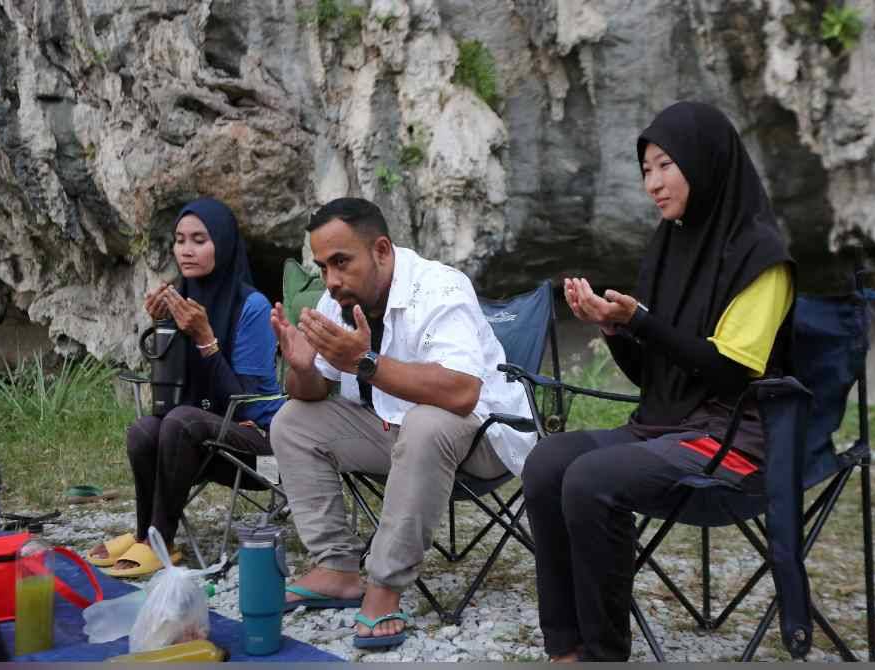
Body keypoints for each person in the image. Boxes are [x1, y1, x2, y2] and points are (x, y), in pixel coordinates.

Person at [521, 101, 796, 661]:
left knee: (591, 476)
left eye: (666, 165)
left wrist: (641, 321)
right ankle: (566, 648)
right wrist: (616, 330)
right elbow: (655, 376)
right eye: (646, 169)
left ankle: (605, 653)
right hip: (664, 426)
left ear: (706, 161)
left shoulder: (762, 259)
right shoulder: (668, 245)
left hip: (733, 441)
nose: (653, 183)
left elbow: (730, 370)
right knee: (547, 463)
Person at [268, 197, 535, 649]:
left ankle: (385, 585)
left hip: (484, 437)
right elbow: (312, 393)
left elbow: (461, 392)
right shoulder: (339, 299)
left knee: (427, 423)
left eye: (341, 262)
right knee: (293, 421)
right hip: (397, 433)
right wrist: (303, 368)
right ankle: (336, 567)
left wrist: (364, 361)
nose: (331, 280)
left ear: (382, 251)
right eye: (322, 267)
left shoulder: (440, 287)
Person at [86, 197, 284, 578]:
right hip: (195, 441)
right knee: (146, 428)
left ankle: (157, 540)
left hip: (263, 454)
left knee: (178, 421)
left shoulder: (252, 307)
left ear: (222, 244)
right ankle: (149, 535)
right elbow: (169, 397)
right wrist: (165, 331)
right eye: (180, 239)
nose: (186, 250)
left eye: (199, 239)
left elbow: (246, 403)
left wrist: (205, 337)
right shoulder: (180, 299)